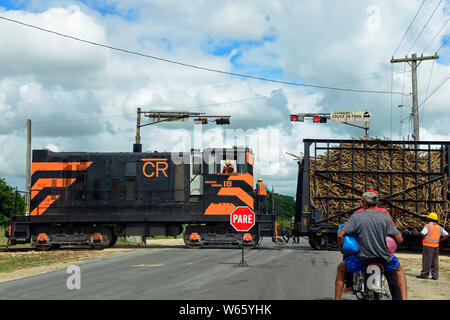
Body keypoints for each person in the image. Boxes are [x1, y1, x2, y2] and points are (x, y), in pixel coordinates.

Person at [335, 191, 407, 300]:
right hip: (384, 258)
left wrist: (342, 249)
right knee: (399, 271)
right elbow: (400, 239)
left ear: (364, 203)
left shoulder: (357, 216)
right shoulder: (385, 216)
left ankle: (338, 297)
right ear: (377, 202)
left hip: (362, 258)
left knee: (341, 269)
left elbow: (340, 235)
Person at [416, 212, 449, 280]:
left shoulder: (428, 226)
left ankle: (424, 274)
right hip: (436, 246)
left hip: (428, 245)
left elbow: (422, 233)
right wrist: (439, 241)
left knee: (427, 260)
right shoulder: (439, 227)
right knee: (435, 261)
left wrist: (416, 232)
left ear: (429, 219)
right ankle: (435, 275)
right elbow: (447, 235)